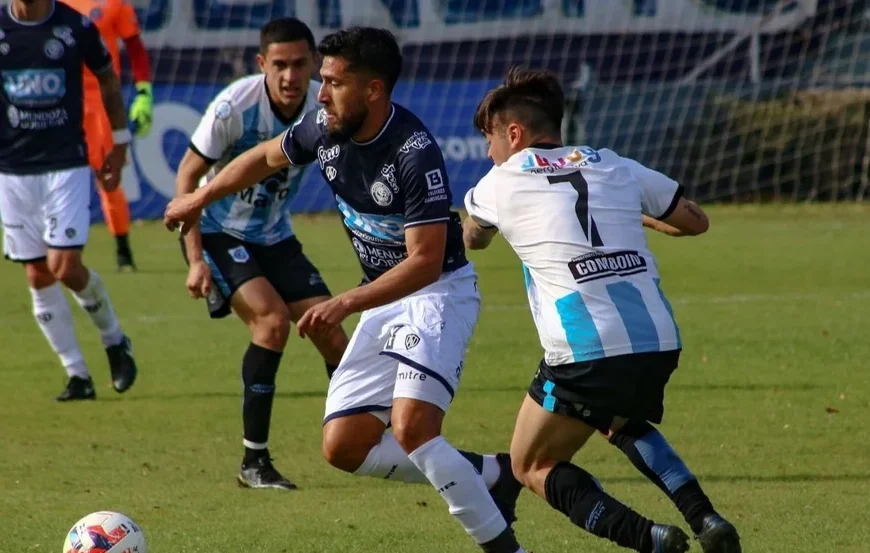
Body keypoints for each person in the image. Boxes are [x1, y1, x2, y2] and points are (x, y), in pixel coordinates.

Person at [165, 26, 527, 553]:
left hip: (436, 294)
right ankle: (493, 474)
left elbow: (426, 262)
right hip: (382, 294)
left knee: (413, 429)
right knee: (343, 446)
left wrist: (345, 302)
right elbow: (265, 157)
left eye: (333, 82)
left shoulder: (413, 150)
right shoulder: (325, 127)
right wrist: (201, 199)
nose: (320, 92)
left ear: (374, 90)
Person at [462, 67, 742, 553]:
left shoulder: (498, 182)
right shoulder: (615, 164)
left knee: (530, 465)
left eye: (490, 139)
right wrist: (632, 218)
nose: (489, 152)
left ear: (514, 133)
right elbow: (696, 222)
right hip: (656, 336)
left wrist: (480, 226)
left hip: (585, 346)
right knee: (614, 418)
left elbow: (474, 239)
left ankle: (650, 539)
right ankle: (707, 518)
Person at [173, 17, 349, 491]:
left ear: (315, 63)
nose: (291, 77)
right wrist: (193, 260)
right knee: (271, 324)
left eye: (299, 65)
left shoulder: (325, 103)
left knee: (331, 332)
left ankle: (360, 438)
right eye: (279, 66)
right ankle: (254, 462)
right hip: (217, 232)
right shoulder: (234, 107)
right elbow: (188, 179)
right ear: (261, 64)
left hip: (274, 233)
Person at [0, 0, 138, 401]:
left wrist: (121, 141)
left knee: (64, 265)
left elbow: (108, 78)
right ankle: (77, 374)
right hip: (12, 170)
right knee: (37, 274)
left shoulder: (75, 25)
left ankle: (115, 341)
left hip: (66, 164)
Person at [61, 0, 153, 271]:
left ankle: (123, 250)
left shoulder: (114, 3)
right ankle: (53, 248)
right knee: (56, 175)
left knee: (108, 177)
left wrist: (144, 91)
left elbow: (135, 47)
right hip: (61, 100)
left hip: (101, 102)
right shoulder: (51, 4)